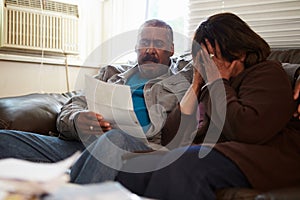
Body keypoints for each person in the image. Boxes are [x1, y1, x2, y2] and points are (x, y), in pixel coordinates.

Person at [115, 12, 300, 200]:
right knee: (130, 167)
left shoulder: (266, 73)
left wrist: (217, 82)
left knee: (184, 165)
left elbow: (247, 129)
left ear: (239, 52)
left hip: (266, 156)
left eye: (211, 55)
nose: (206, 63)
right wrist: (196, 85)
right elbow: (171, 137)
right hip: (218, 151)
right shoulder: (208, 86)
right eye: (201, 58)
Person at [0, 19, 192, 179]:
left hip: (135, 152)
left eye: (159, 44)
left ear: (172, 49)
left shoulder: (182, 77)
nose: (150, 50)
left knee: (115, 137)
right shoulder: (111, 74)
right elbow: (73, 105)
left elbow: (206, 56)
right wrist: (77, 120)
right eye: (144, 43)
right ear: (136, 47)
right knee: (4, 140)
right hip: (84, 145)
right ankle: (77, 173)